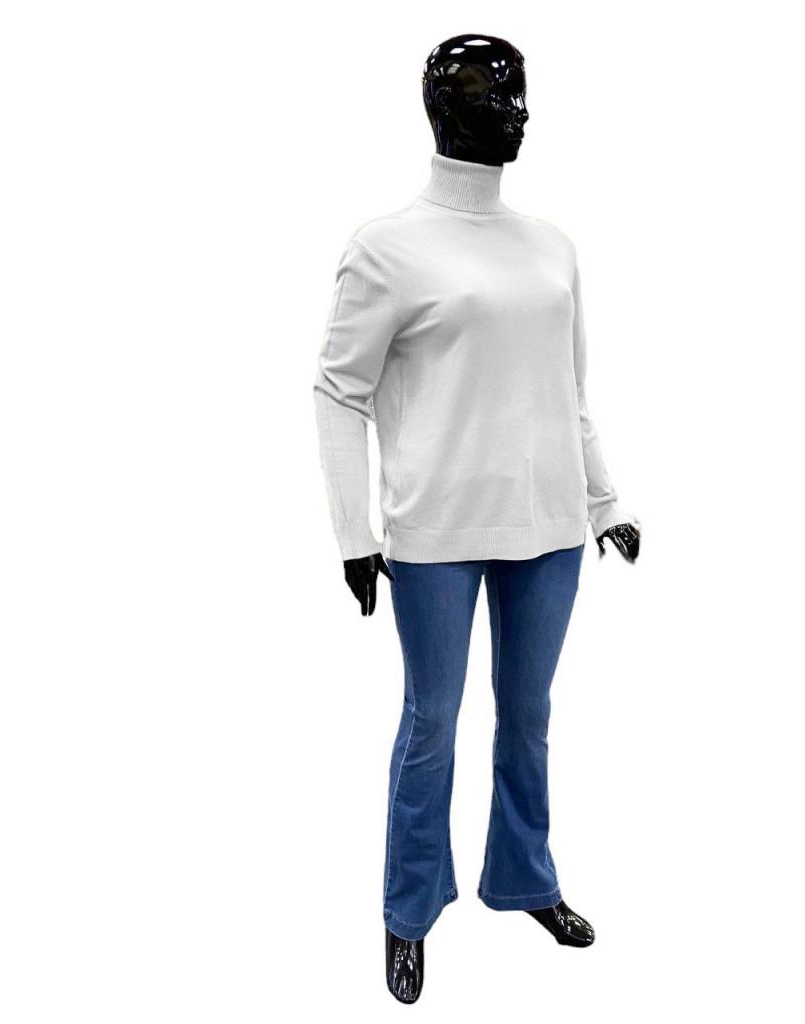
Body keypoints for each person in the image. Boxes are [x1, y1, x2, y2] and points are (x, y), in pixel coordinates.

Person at [313, 34, 641, 1004]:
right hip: (437, 533)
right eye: (494, 95)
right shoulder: (387, 247)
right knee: (432, 723)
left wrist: (605, 501)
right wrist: (354, 535)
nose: (518, 112)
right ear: (442, 109)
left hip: (549, 529)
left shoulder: (552, 245)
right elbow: (336, 390)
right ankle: (408, 911)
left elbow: (568, 393)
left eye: (521, 93)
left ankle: (525, 879)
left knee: (528, 718)